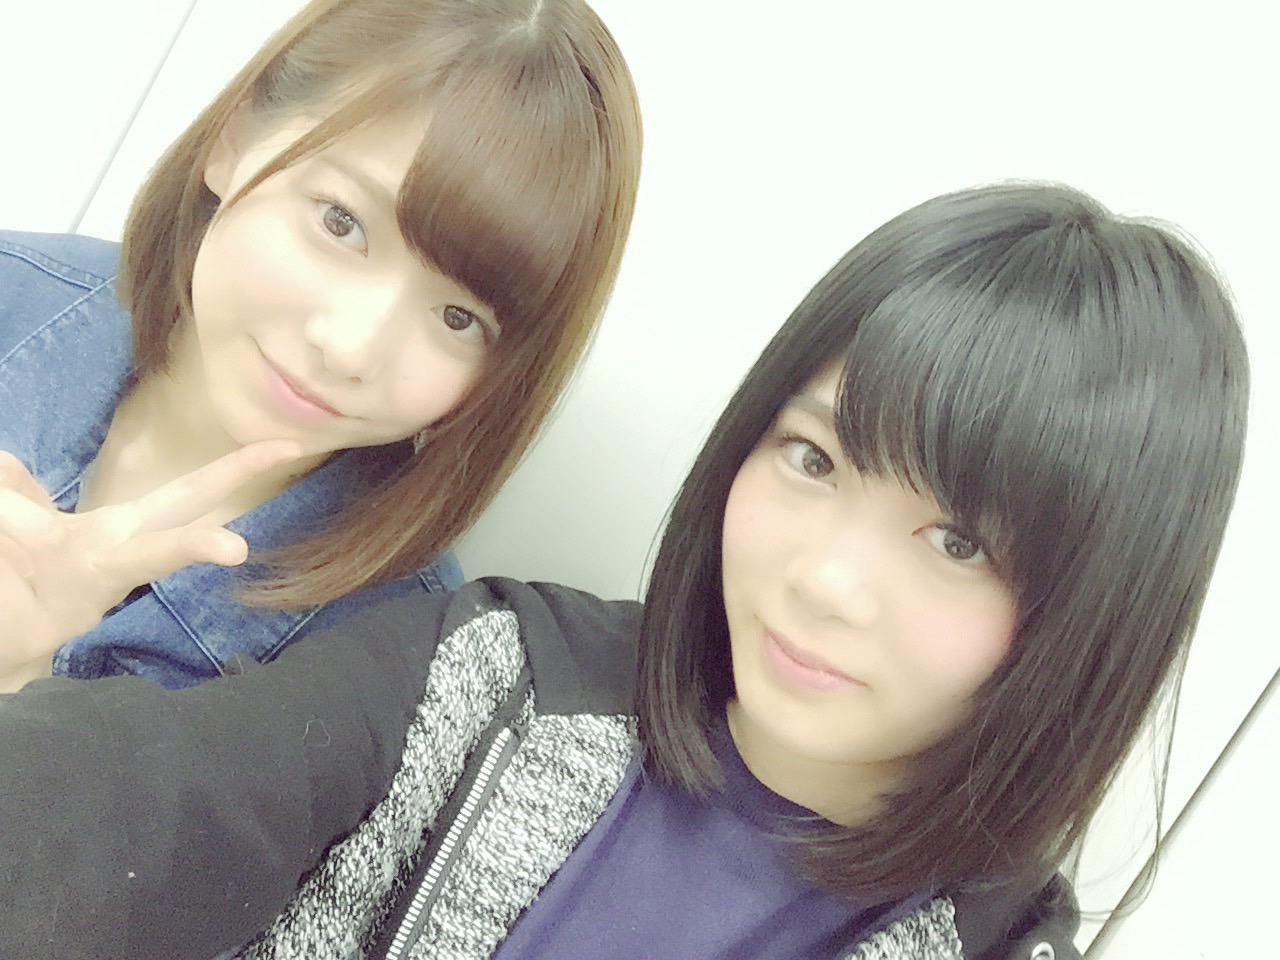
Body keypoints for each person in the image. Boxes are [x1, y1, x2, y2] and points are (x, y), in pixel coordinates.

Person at [0, 182, 1248, 959]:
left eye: (956, 543)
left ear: (1091, 616)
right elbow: (113, 812)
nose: (824, 581)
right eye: (812, 459)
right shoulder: (488, 677)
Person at [0, 0, 641, 690]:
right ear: (233, 141)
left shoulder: (397, 665)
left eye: (458, 318)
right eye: (341, 222)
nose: (350, 349)